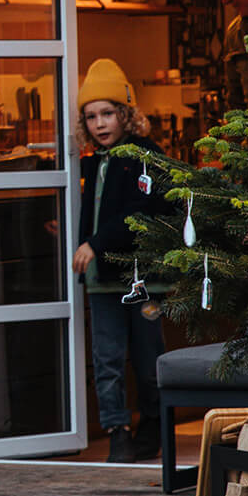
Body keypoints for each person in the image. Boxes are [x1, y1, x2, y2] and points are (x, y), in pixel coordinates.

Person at [71, 59, 166, 463]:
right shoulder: (94, 162)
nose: (99, 123)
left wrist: (95, 241)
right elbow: (99, 211)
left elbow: (143, 210)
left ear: (126, 114)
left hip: (142, 276)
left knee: (148, 360)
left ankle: (152, 426)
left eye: (108, 113)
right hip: (102, 280)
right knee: (106, 359)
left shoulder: (146, 156)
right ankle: (117, 431)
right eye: (91, 116)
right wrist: (78, 236)